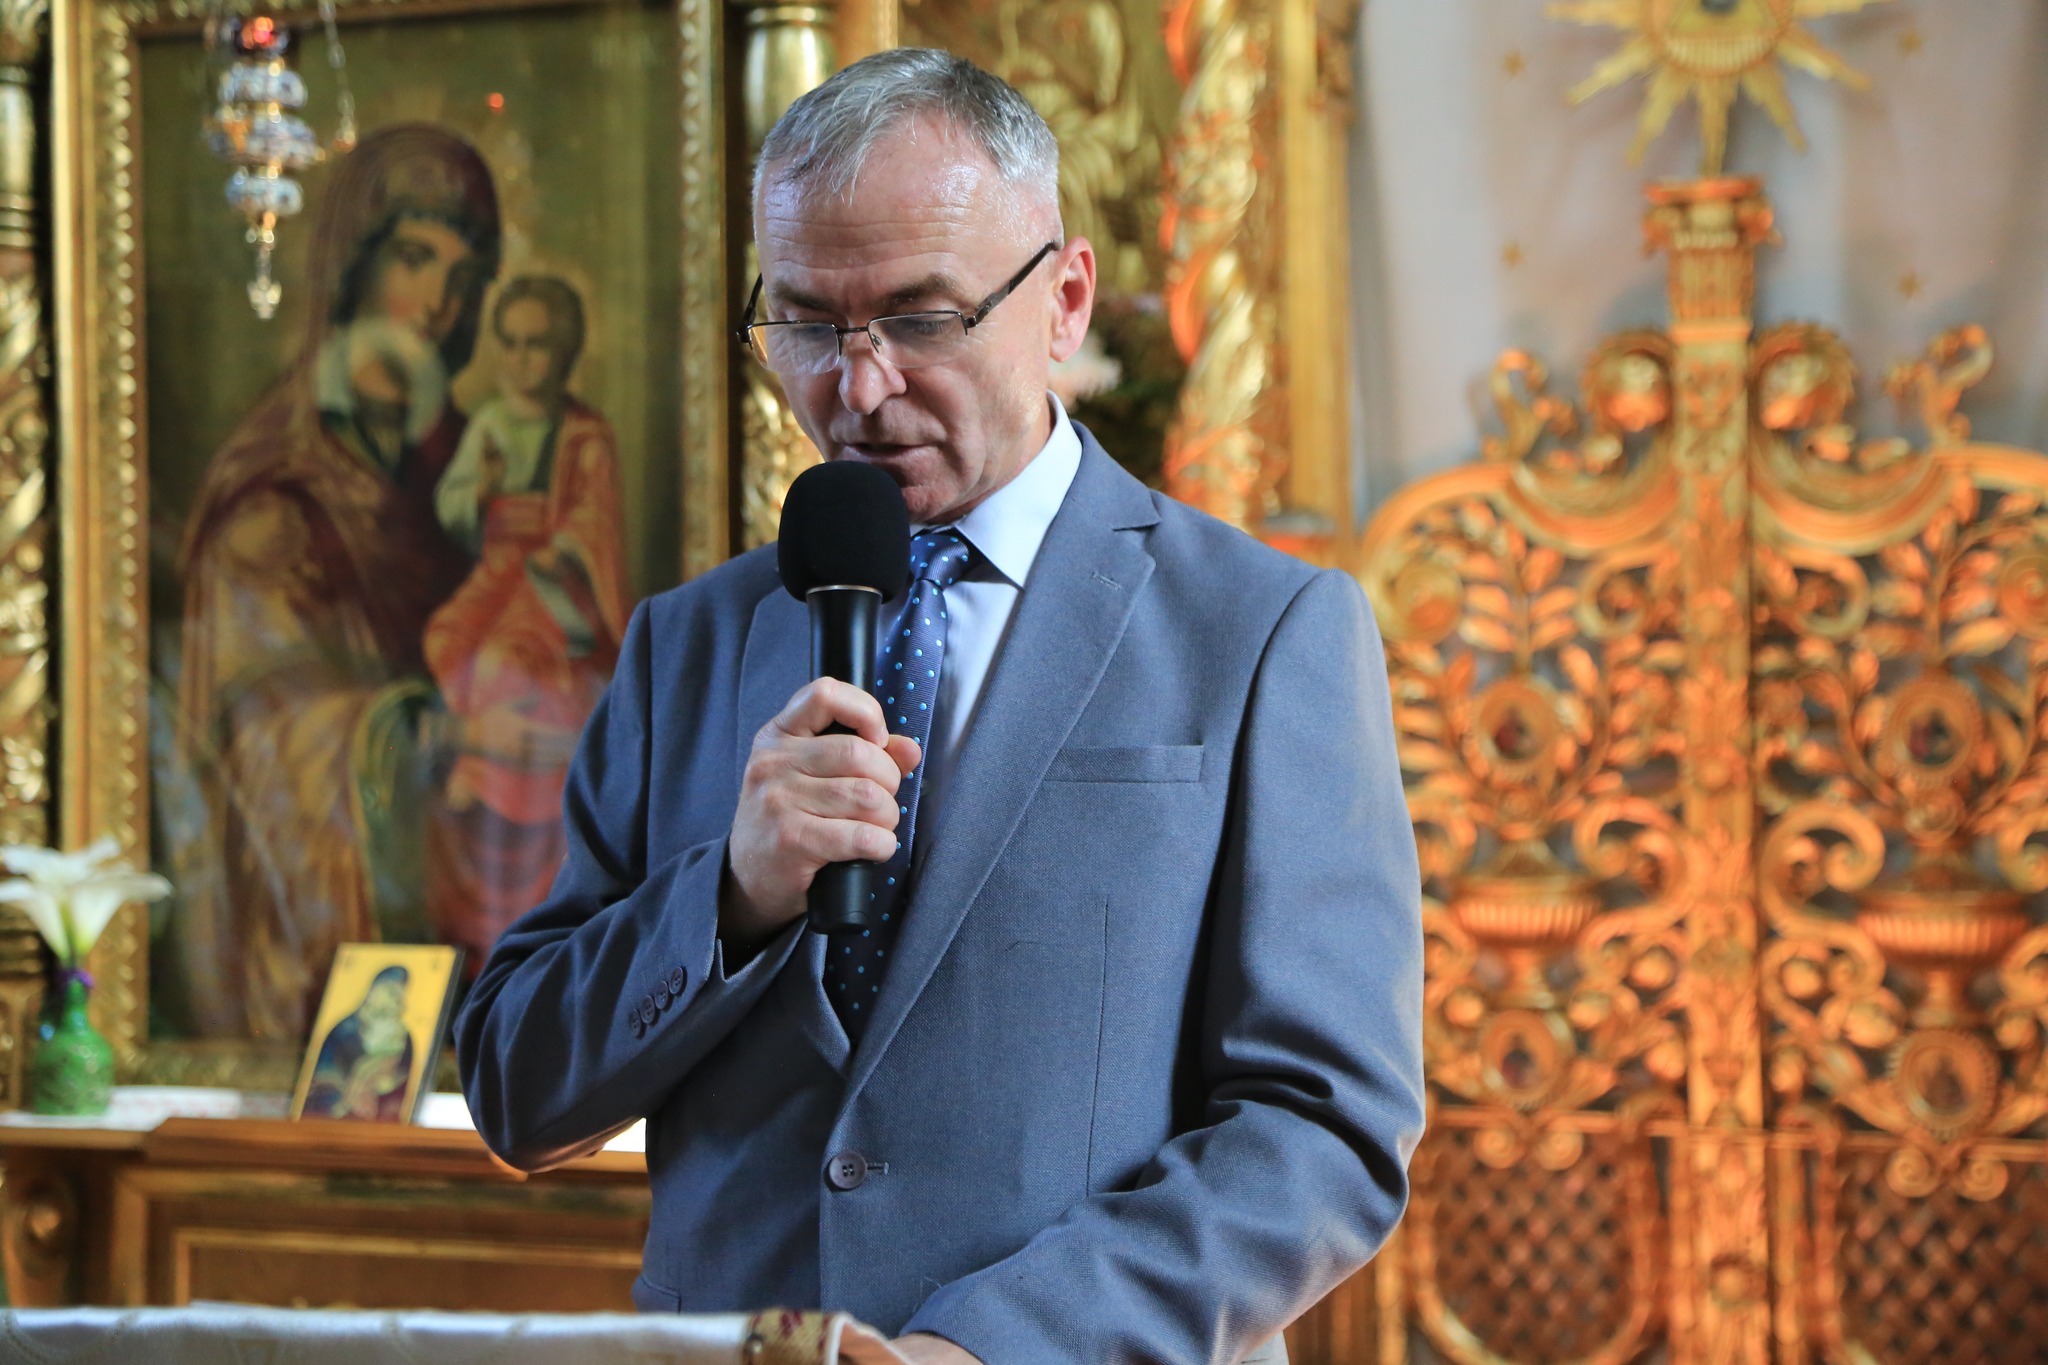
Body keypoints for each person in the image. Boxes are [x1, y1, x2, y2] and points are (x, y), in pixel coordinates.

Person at [458, 50, 1423, 1365]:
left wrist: (986, 1349)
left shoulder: (1262, 632)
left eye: (918, 321)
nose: (857, 389)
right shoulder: (686, 643)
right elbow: (515, 1089)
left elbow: (1322, 1129)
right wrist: (730, 898)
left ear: (1064, 300)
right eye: (806, 324)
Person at [173, 125, 501, 1041]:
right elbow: (256, 735)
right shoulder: (270, 498)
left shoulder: (476, 465)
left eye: (465, 276)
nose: (439, 304)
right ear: (352, 269)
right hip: (343, 898)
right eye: (414, 259)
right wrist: (416, 726)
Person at [425, 275, 631, 969]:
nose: (520, 360)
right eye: (508, 344)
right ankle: (478, 764)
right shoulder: (489, 423)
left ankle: (489, 773)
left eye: (536, 345)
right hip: (499, 572)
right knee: (448, 640)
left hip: (555, 587)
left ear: (565, 351)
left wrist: (561, 550)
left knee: (507, 661)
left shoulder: (586, 436)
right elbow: (453, 503)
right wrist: (479, 491)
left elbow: (595, 521)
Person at [302, 966, 415, 1121]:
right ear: (373, 991)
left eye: (400, 994)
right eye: (391, 992)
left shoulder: (404, 1037)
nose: (397, 1001)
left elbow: (406, 1081)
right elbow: (323, 1077)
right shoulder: (343, 1030)